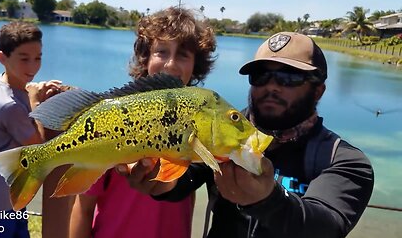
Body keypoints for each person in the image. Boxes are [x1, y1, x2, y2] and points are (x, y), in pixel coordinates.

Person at [118, 32, 374, 238]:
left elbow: (327, 226)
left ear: (318, 91)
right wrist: (160, 181)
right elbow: (184, 178)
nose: (272, 86)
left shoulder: (344, 161)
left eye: (289, 77)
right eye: (261, 75)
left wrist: (268, 199)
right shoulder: (223, 131)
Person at [68, 6, 217, 238]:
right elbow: (84, 207)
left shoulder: (203, 123)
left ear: (195, 65)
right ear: (145, 57)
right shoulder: (116, 118)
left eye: (183, 55)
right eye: (162, 52)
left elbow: (190, 185)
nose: (170, 64)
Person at [0, 21, 62, 237]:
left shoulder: (4, 81)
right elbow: (39, 152)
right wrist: (36, 103)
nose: (33, 67)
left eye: (38, 58)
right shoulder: (7, 104)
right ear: (2, 58)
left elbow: (21, 97)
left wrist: (36, 93)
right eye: (24, 59)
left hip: (9, 196)